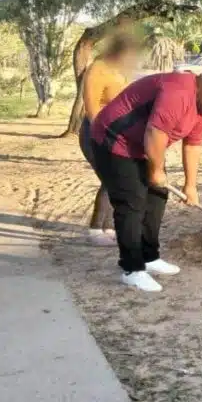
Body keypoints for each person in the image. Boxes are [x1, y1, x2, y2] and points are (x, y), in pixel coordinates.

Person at [91, 70, 202, 292]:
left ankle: (150, 257)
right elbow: (154, 132)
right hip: (114, 139)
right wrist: (156, 169)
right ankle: (132, 269)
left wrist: (191, 185)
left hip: (142, 146)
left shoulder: (200, 109)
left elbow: (193, 145)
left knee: (157, 196)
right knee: (132, 202)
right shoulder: (178, 91)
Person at [78, 33, 139, 246]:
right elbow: (92, 108)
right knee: (111, 178)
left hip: (117, 131)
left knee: (118, 178)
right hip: (96, 131)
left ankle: (108, 227)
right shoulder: (97, 69)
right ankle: (95, 229)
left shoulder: (119, 72)